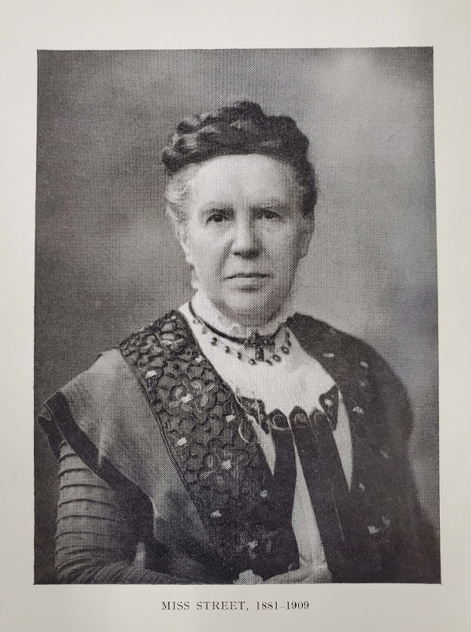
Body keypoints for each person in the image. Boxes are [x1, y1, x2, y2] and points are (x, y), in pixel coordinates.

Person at [38, 101, 439, 584]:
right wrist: (240, 609)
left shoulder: (360, 369)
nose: (246, 243)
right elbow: (83, 574)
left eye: (269, 214)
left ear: (305, 232)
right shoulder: (113, 389)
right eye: (218, 217)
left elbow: (418, 554)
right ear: (183, 235)